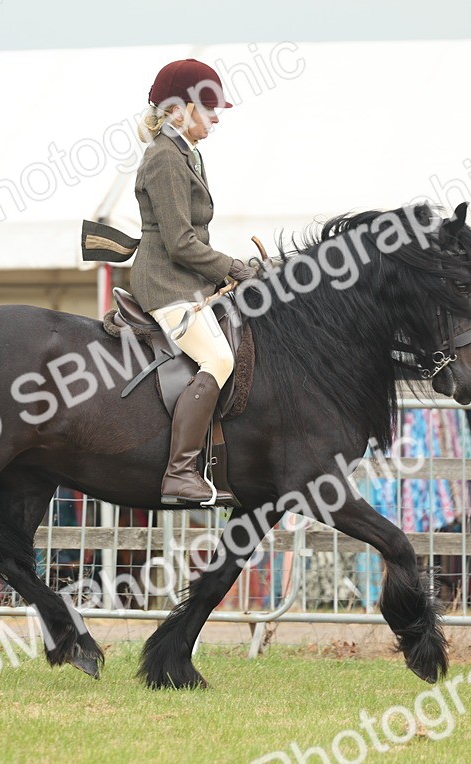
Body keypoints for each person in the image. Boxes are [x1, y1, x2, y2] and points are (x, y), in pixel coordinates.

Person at [130, 58, 261, 506]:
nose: (216, 116)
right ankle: (180, 474)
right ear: (179, 109)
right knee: (220, 360)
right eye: (208, 107)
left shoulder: (187, 152)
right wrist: (232, 269)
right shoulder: (165, 158)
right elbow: (182, 242)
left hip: (188, 282)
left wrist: (230, 269)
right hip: (166, 284)